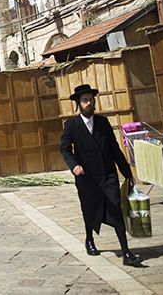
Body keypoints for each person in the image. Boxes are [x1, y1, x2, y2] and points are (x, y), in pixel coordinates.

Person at [60, 84, 141, 266]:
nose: (89, 103)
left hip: (107, 173)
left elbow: (115, 150)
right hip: (86, 177)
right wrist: (74, 166)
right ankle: (89, 239)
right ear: (78, 104)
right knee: (90, 208)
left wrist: (127, 174)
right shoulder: (72, 126)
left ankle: (126, 252)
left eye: (91, 99)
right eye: (85, 100)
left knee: (115, 208)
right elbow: (64, 149)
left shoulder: (103, 123)